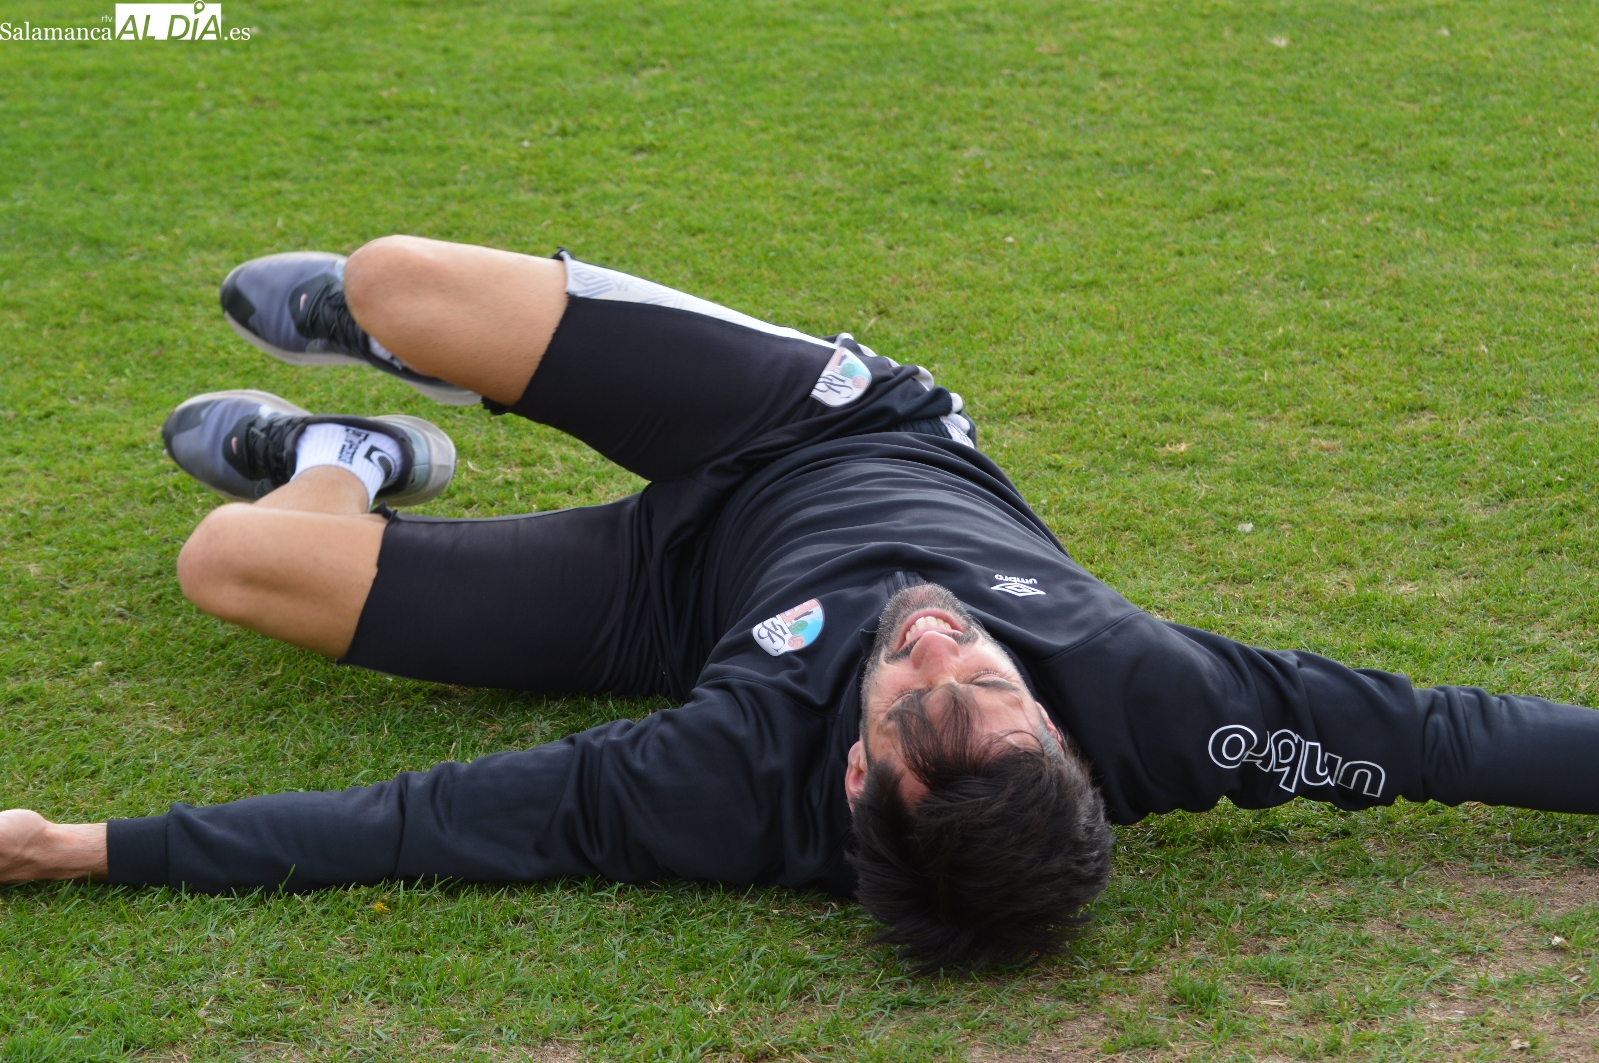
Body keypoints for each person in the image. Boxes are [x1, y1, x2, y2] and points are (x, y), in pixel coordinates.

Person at [5, 237, 1599, 973]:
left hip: (665, 601)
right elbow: (1456, 737)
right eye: (994, 679)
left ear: (854, 779)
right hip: (831, 427)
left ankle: (342, 458)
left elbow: (423, 825)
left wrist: (85, 850)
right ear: (1070, 752)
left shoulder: (720, 789)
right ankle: (391, 338)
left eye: (920, 687)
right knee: (397, 276)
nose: (940, 635)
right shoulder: (1159, 703)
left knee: (227, 566)